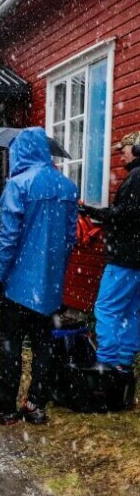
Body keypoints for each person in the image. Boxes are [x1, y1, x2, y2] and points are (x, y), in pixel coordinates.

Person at [0, 127, 78, 425]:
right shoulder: (68, 188)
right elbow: (70, 238)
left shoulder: (18, 185)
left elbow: (8, 239)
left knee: (10, 343)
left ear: (20, 151)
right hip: (49, 285)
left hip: (19, 284)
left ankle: (6, 405)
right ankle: (35, 404)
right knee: (43, 344)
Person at [80, 132, 140, 373]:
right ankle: (124, 363)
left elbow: (125, 215)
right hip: (136, 258)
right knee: (132, 310)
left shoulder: (136, 177)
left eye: (123, 149)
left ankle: (106, 361)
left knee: (106, 307)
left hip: (125, 257)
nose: (121, 154)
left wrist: (92, 211)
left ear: (136, 149)